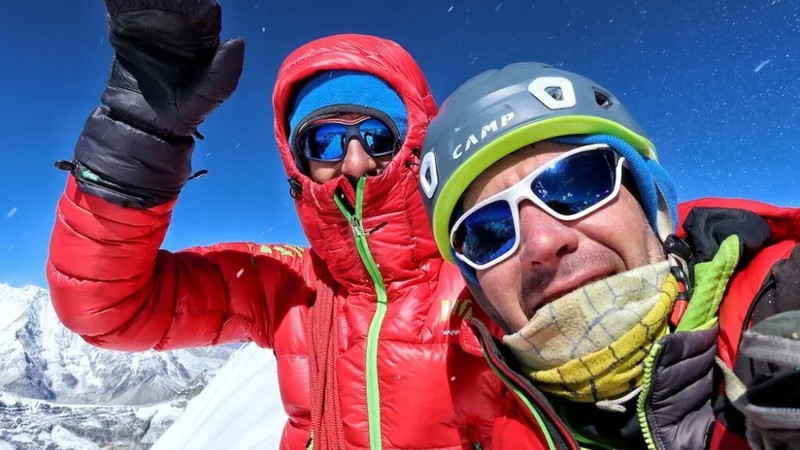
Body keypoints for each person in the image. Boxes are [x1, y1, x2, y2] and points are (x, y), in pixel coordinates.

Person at [46, 1, 529, 449]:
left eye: (378, 135)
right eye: (326, 140)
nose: (356, 162)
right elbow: (106, 308)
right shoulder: (286, 287)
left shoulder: (490, 269)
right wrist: (139, 130)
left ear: (416, 147)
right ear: (298, 165)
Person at [418, 62, 800, 450]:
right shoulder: (498, 432)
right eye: (489, 232)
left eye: (578, 183)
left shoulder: (782, 298)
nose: (543, 242)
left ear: (647, 199)